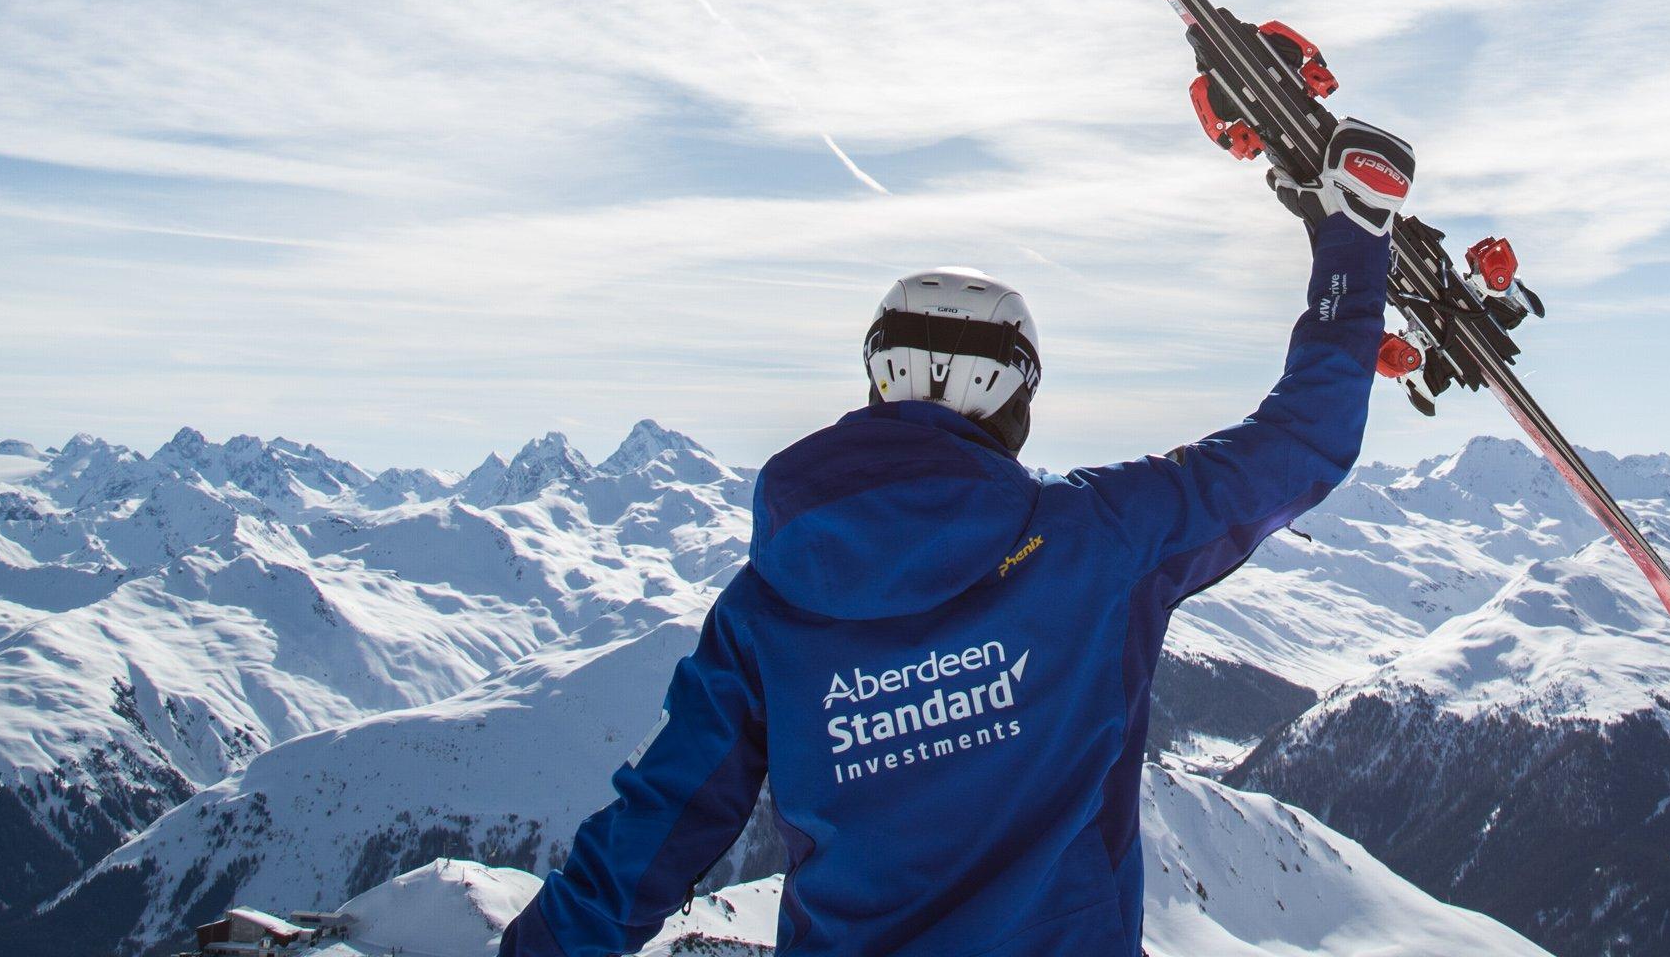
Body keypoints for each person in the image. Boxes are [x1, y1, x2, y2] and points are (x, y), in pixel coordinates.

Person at [498, 117, 1416, 957]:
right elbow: (1297, 448)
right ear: (1015, 400)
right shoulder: (1098, 540)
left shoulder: (768, 603)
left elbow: (656, 829)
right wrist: (1351, 247)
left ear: (878, 381)